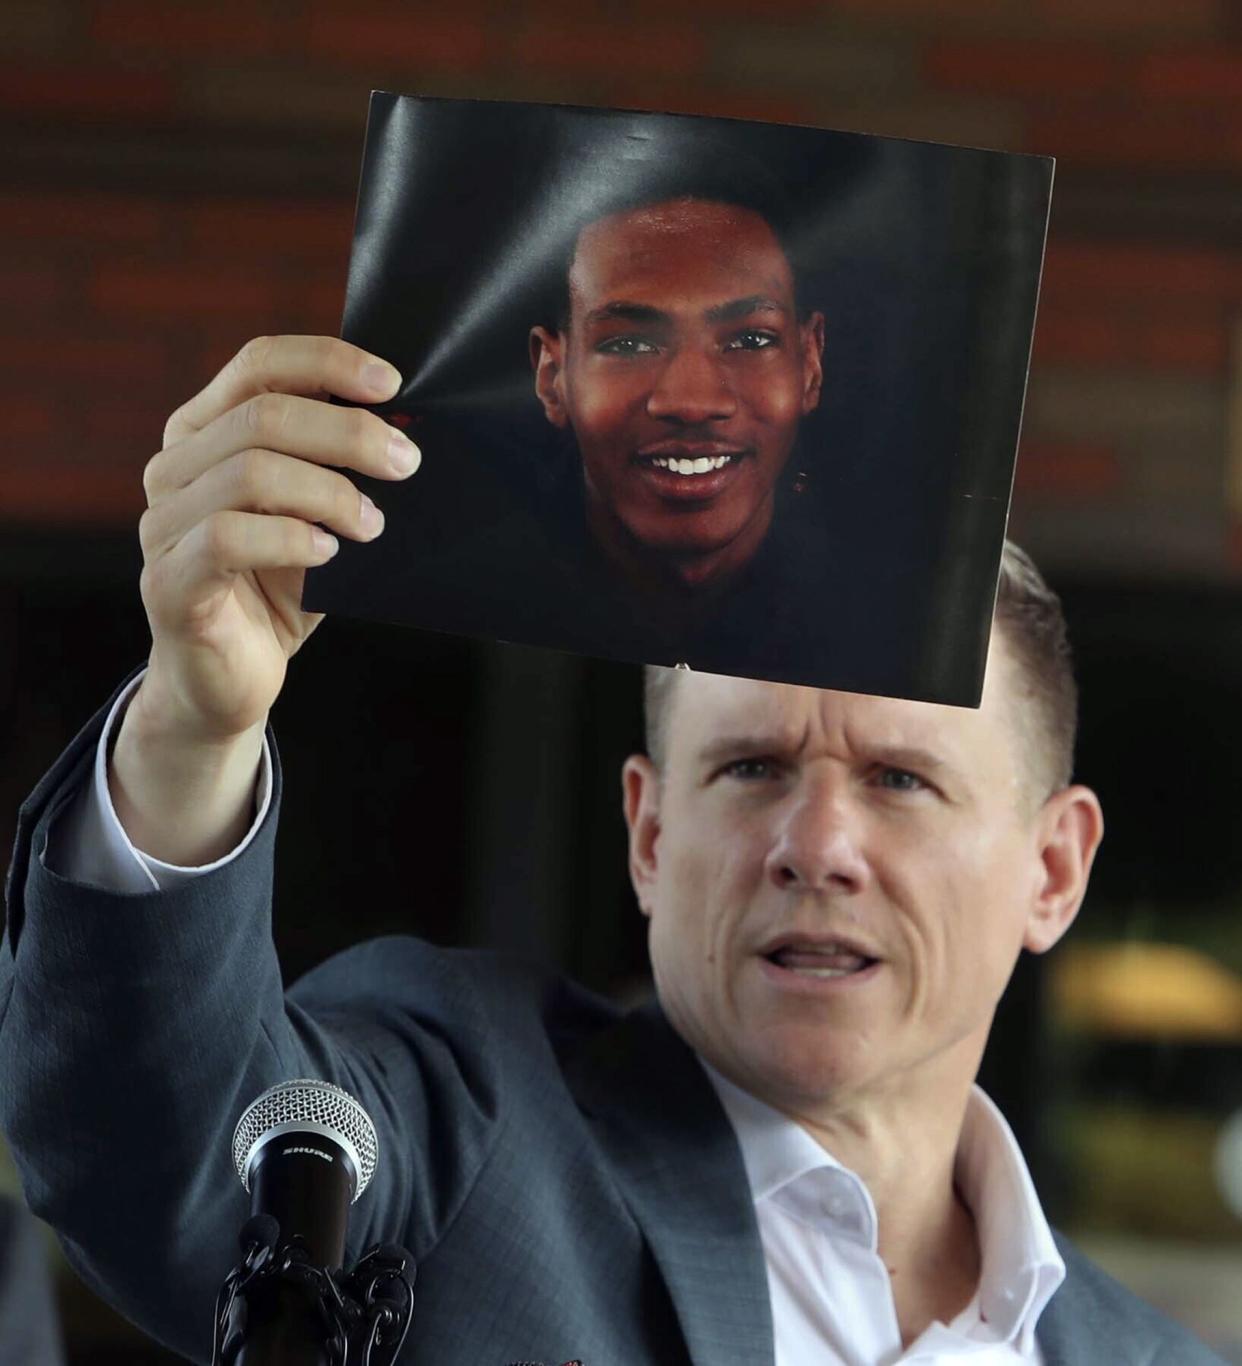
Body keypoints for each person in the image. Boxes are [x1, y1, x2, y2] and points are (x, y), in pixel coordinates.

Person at [0, 336, 1224, 1365]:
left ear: (1053, 870)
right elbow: (165, 1146)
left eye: (901, 780)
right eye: (750, 769)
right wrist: (190, 732)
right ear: (647, 832)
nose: (818, 845)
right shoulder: (468, 1124)